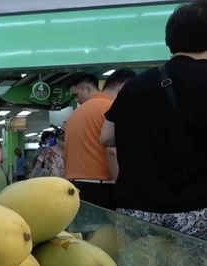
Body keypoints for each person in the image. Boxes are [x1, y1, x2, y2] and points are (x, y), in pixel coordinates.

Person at [100, 0, 207, 240]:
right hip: (196, 212)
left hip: (137, 212)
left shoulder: (135, 85)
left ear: (170, 39)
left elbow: (106, 137)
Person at [65, 70, 135, 210]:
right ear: (125, 87)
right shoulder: (111, 108)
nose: (76, 100)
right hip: (102, 187)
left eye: (76, 95)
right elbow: (112, 151)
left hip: (74, 187)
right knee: (106, 231)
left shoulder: (74, 114)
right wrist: (123, 188)